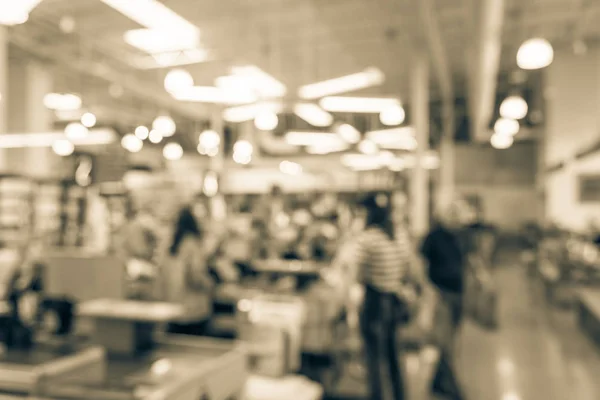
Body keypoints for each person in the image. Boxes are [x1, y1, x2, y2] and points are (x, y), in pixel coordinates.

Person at [354, 192, 410, 400]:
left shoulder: (368, 238)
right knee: (393, 355)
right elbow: (406, 267)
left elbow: (357, 273)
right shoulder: (398, 235)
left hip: (375, 301)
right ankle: (400, 395)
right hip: (394, 300)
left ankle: (377, 396)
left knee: (374, 359)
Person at [420, 202, 467, 400]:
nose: (455, 219)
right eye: (452, 215)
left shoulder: (458, 237)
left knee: (451, 339)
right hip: (440, 294)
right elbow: (420, 264)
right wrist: (427, 288)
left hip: (458, 293)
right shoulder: (432, 238)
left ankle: (437, 382)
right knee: (445, 341)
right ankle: (451, 385)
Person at [163, 207, 214, 335]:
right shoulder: (192, 244)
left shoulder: (171, 245)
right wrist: (210, 285)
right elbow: (195, 276)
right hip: (193, 310)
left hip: (174, 307)